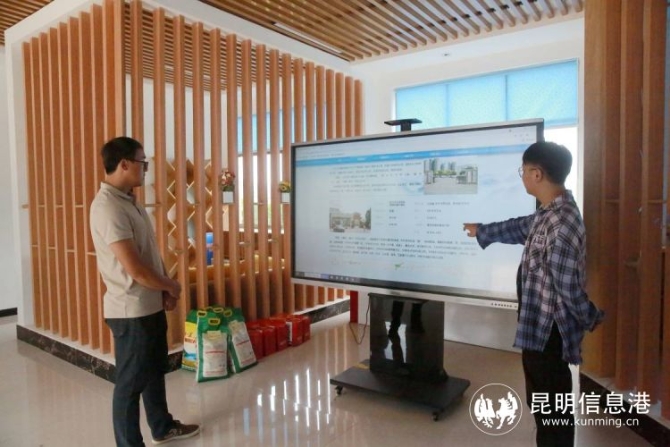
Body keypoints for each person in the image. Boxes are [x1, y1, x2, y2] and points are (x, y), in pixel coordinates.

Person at [463, 141, 604, 447]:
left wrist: (590, 317)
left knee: (552, 406)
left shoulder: (562, 222)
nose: (523, 176)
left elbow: (568, 287)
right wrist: (482, 231)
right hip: (536, 326)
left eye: (523, 170)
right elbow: (520, 228)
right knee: (541, 400)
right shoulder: (549, 212)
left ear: (537, 174)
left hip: (549, 331)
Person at [90, 137, 200, 446]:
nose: (146, 169)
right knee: (129, 384)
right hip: (131, 311)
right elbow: (135, 269)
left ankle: (162, 427)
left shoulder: (129, 202)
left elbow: (149, 254)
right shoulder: (108, 208)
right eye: (143, 163)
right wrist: (172, 285)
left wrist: (163, 287)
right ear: (124, 164)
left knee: (153, 371)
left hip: (148, 304)